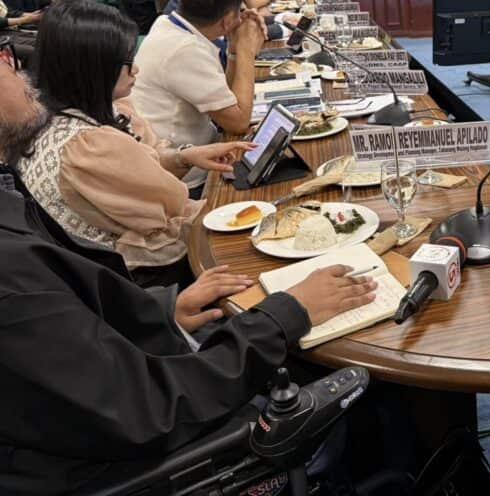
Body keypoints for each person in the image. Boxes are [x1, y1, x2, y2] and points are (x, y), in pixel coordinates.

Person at [0, 52, 380, 494]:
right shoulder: (10, 275)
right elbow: (150, 408)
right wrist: (284, 314)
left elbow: (72, 328)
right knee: (367, 389)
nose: (17, 68)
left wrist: (162, 310)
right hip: (159, 457)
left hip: (124, 395)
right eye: (1, 58)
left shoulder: (9, 190)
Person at [14, 0, 252, 288]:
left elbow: (142, 169)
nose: (136, 69)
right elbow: (171, 203)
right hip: (146, 281)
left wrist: (186, 157)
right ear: (93, 70)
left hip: (114, 275)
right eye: (126, 63)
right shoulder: (89, 145)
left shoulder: (53, 117)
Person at [131, 0, 263, 193]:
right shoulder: (184, 49)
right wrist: (246, 51)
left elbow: (226, 97)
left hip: (202, 151)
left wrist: (232, 47)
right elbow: (238, 121)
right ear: (227, 19)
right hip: (188, 178)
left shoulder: (168, 23)